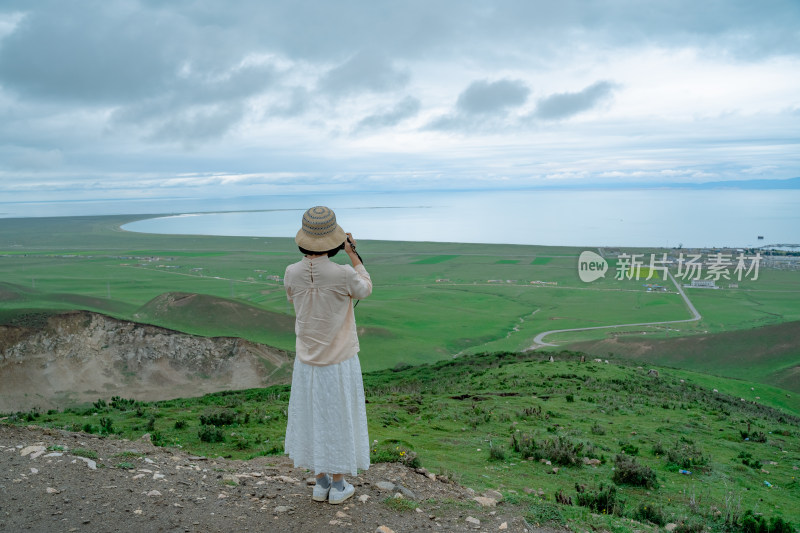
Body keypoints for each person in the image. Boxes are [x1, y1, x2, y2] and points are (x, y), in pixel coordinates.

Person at [283, 206, 373, 505]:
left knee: (312, 416)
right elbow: (365, 290)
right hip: (338, 359)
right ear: (334, 240)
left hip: (306, 359)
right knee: (338, 416)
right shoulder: (344, 273)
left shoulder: (291, 272)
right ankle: (338, 485)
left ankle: (319, 482)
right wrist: (353, 254)